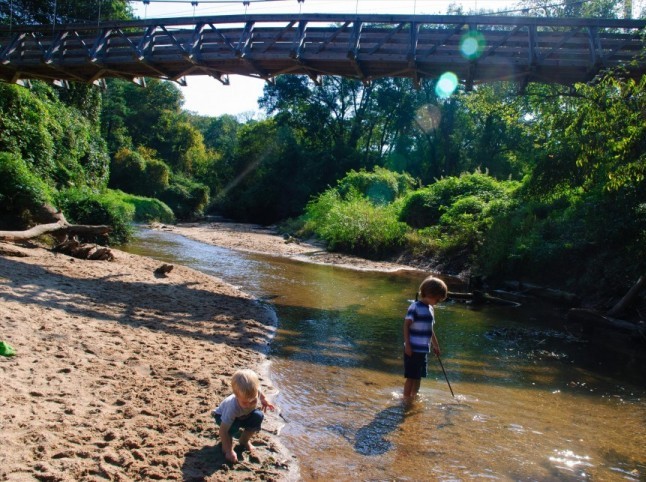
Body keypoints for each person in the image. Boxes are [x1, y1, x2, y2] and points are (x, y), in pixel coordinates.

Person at [212, 368, 275, 463]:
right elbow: (223, 430)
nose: (249, 404)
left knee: (258, 416)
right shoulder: (232, 407)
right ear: (236, 396)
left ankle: (244, 440)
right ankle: (226, 448)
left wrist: (263, 400)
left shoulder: (255, 391)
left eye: (253, 400)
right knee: (231, 429)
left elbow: (260, 393)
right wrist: (229, 451)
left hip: (243, 415)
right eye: (245, 402)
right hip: (221, 417)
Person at [403, 275, 448, 399]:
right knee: (411, 377)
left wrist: (436, 345)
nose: (438, 302)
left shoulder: (431, 309)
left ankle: (414, 397)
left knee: (418, 377)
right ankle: (406, 400)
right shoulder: (415, 307)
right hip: (412, 349)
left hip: (423, 350)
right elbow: (406, 325)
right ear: (431, 294)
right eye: (438, 299)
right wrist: (407, 344)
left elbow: (430, 330)